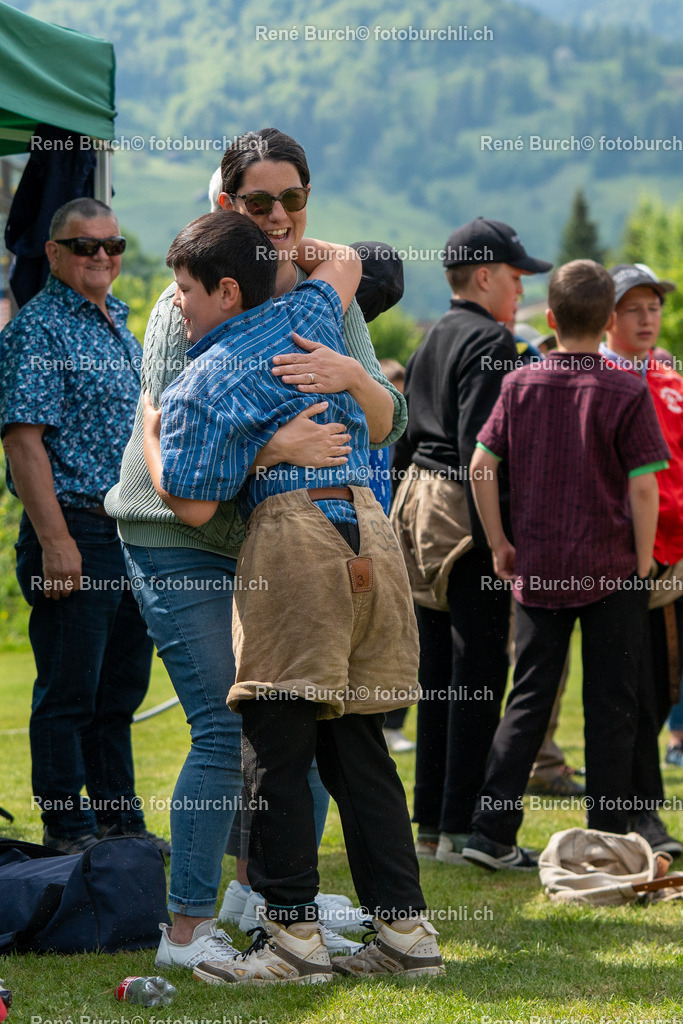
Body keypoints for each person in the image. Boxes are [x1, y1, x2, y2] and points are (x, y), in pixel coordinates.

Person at [105, 128, 406, 971]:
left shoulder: (325, 299)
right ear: (224, 204)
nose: (277, 215)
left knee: (297, 718)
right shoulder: (191, 294)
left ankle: (275, 907)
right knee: (215, 729)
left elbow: (388, 421)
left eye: (292, 199)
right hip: (177, 530)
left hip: (277, 538)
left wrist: (352, 380)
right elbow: (176, 437)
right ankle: (187, 932)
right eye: (256, 201)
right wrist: (272, 452)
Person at [144, 210, 443, 984]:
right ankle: (405, 935)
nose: (178, 303)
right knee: (357, 746)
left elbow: (192, 503)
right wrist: (282, 246)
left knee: (274, 749)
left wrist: (151, 428)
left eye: (185, 288)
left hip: (292, 542)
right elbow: (341, 258)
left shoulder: (202, 379)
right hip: (368, 537)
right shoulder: (310, 312)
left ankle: (288, 941)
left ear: (227, 290)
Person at [463, 259, 669, 870]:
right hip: (610, 568)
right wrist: (641, 558)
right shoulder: (627, 388)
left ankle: (490, 833)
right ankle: (605, 839)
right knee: (612, 702)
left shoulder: (519, 383)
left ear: (550, 319)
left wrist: (500, 543)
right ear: (609, 320)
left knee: (528, 698)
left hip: (539, 565)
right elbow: (644, 487)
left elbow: (480, 466)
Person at [0, 197, 165, 855]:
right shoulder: (37, 331)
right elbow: (23, 442)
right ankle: (68, 833)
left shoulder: (118, 323)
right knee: (70, 694)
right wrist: (55, 540)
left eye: (112, 245)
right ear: (53, 253)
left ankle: (120, 830)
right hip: (74, 528)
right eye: (85, 245)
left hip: (126, 532)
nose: (101, 256)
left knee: (117, 693)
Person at [391, 217, 552, 863]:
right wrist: (506, 537)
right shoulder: (491, 341)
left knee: (438, 679)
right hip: (464, 519)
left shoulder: (436, 338)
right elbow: (478, 452)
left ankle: (429, 823)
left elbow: (405, 436)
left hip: (416, 513)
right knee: (479, 674)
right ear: (484, 276)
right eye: (515, 278)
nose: (520, 291)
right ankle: (462, 829)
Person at [600, 262, 683, 855]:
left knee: (667, 685)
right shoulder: (595, 375)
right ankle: (638, 812)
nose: (648, 317)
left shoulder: (671, 372)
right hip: (626, 560)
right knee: (638, 686)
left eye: (653, 306)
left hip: (677, 556)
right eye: (635, 307)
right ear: (607, 315)